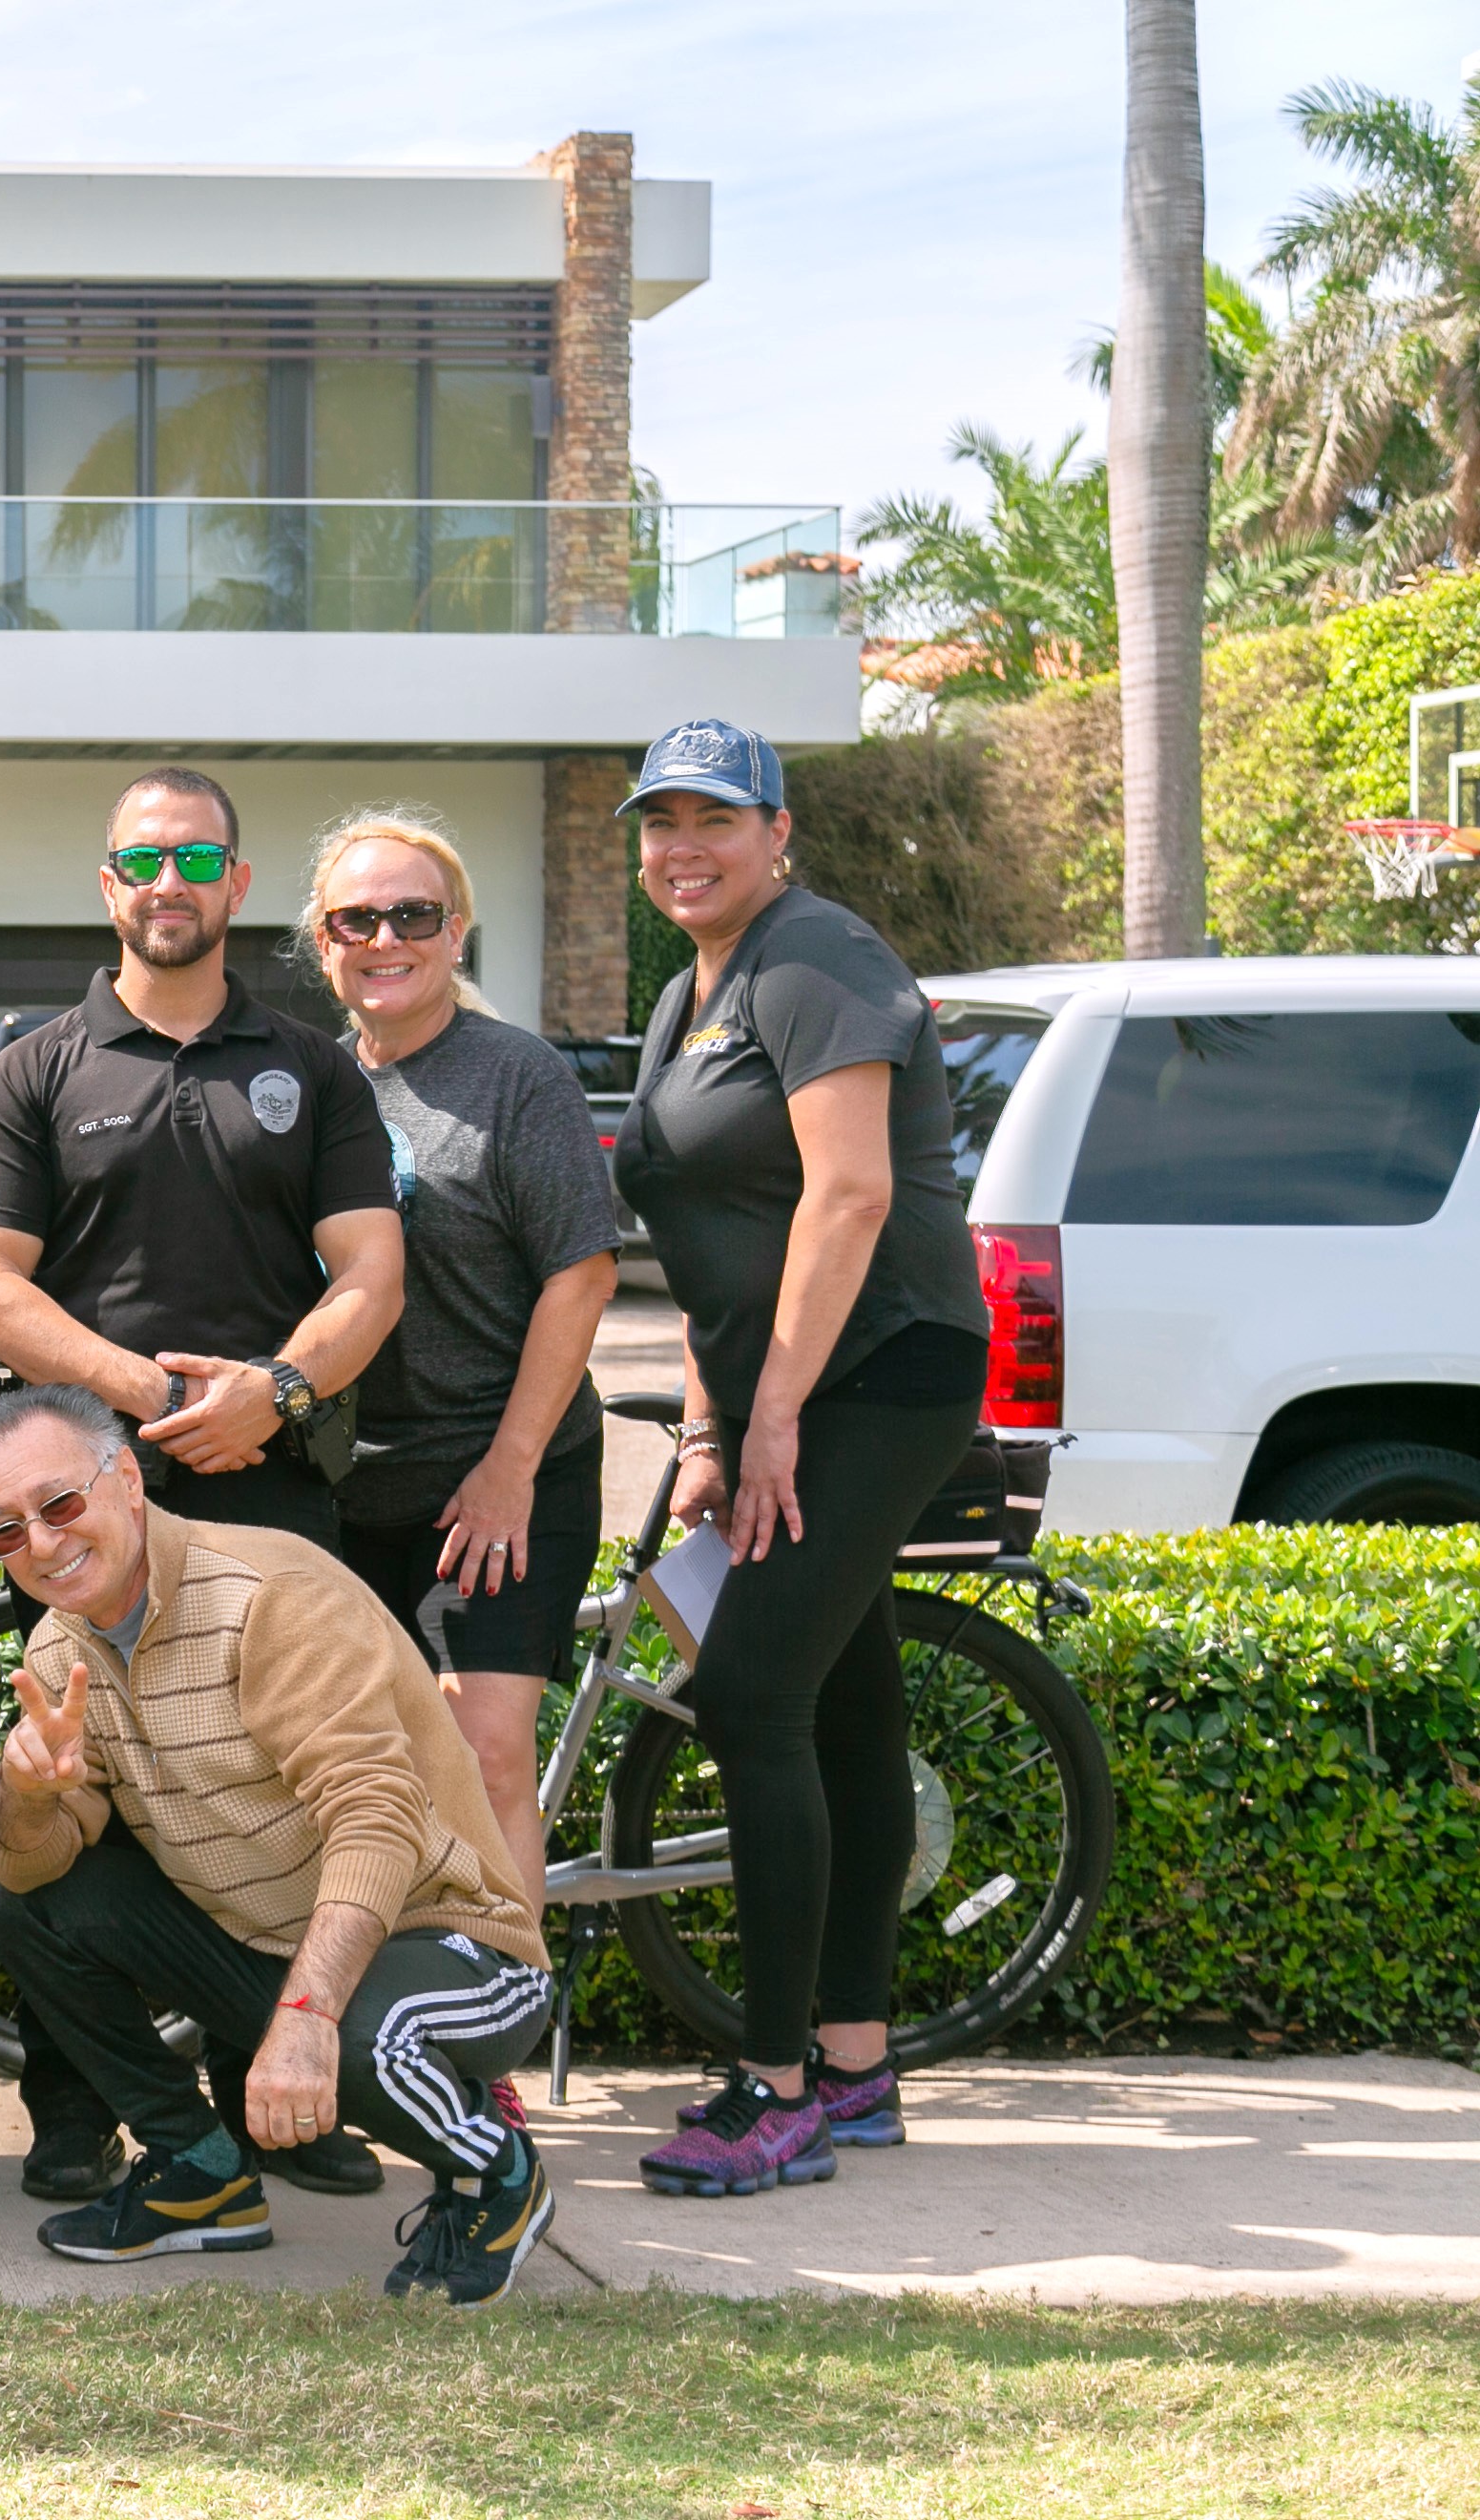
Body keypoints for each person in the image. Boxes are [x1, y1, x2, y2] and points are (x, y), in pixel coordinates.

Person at [0, 763, 406, 2195]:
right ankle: (76, 2108)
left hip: (269, 1480)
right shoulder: (35, 1069)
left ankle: (278, 2099)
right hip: (86, 1503)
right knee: (77, 1785)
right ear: (108, 885)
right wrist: (148, 1398)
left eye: (197, 860)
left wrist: (276, 1391)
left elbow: (372, 1272)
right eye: (143, 860)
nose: (168, 883)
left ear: (237, 886)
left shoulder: (313, 1069)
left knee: (283, 1789)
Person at [606, 720, 987, 2201]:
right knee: (840, 1702)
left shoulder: (818, 955)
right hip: (788, 1385)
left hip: (879, 1371)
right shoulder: (687, 992)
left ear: (778, 832)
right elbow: (717, 1249)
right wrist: (716, 1423)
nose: (682, 847)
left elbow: (847, 1198)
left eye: (716, 817)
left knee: (752, 1693)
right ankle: (857, 2068)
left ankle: (776, 2096)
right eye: (660, 822)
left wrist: (773, 1416)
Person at [0, 1383, 558, 2307]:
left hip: (457, 1944)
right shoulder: (59, 1651)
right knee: (28, 1905)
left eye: (60, 1504)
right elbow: (25, 1865)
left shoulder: (270, 1596)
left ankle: (499, 2175)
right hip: (277, 1955)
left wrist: (308, 2015)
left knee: (361, 2037)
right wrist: (26, 1796)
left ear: (128, 1482)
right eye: (4, 1532)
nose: (39, 1544)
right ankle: (200, 2169)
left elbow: (375, 1816)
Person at [302, 809, 620, 1912]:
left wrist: (509, 1469)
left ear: (456, 932)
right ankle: (393, 2002)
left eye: (414, 915)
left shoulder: (515, 1076)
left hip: (504, 1477)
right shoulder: (310, 1087)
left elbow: (582, 1275)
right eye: (358, 919)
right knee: (357, 1772)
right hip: (355, 1487)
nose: (385, 938)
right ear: (324, 942)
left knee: (481, 1756)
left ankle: (504, 2008)